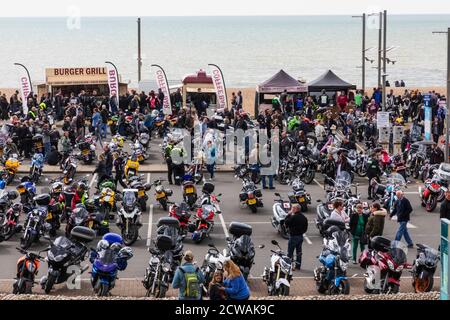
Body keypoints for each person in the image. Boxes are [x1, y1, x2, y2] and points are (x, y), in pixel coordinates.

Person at [284, 204, 308, 270]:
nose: (292, 209)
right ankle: (298, 266)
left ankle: (288, 266)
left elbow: (286, 222)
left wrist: (288, 214)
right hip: (300, 236)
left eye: (292, 208)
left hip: (293, 236)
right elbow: (305, 228)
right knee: (299, 252)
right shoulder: (304, 217)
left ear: (295, 209)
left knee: (290, 252)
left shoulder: (293, 217)